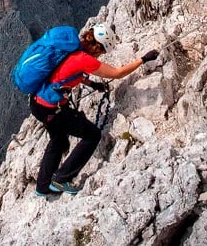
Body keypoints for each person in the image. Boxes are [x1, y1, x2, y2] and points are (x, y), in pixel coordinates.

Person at [30, 23, 160, 197]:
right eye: (102, 51)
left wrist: (93, 84)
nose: (101, 55)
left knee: (58, 139)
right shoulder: (85, 59)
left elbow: (69, 72)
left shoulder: (72, 50)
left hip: (38, 103)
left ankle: (42, 187)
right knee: (92, 135)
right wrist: (143, 59)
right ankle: (61, 180)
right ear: (98, 46)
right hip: (53, 109)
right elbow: (117, 73)